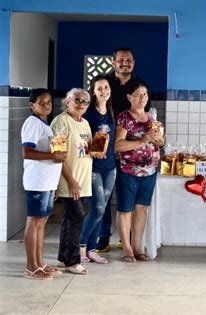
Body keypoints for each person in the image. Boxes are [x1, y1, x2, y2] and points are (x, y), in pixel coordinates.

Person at [96, 47, 149, 252]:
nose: (125, 64)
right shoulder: (104, 84)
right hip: (107, 146)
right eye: (121, 60)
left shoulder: (140, 85)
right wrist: (101, 147)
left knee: (127, 195)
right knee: (104, 194)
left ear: (133, 63)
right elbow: (97, 115)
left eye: (128, 61)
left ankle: (125, 237)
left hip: (131, 150)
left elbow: (145, 116)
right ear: (113, 63)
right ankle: (103, 236)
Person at [115, 82, 164, 263]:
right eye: (137, 94)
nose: (142, 97)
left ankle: (137, 247)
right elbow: (118, 145)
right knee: (125, 209)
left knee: (142, 209)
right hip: (128, 171)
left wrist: (159, 139)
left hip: (150, 171)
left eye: (144, 94)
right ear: (129, 97)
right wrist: (142, 140)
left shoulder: (151, 117)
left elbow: (161, 142)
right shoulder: (125, 117)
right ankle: (126, 248)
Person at [21, 88, 66, 280]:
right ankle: (31, 266)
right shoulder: (32, 123)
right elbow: (27, 152)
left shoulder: (44, 124)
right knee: (34, 221)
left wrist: (54, 184)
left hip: (47, 182)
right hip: (37, 181)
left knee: (42, 223)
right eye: (42, 102)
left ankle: (39, 263)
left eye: (49, 102)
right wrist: (53, 156)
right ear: (32, 105)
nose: (47, 105)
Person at [51, 88, 93, 275]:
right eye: (77, 100)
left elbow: (87, 149)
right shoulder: (60, 122)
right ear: (67, 101)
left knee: (70, 219)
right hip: (69, 180)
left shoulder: (85, 123)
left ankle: (63, 259)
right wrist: (71, 181)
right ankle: (73, 261)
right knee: (77, 217)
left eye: (85, 102)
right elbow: (57, 155)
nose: (82, 104)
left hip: (82, 180)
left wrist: (101, 145)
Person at [79, 75, 116, 264]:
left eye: (106, 88)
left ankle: (92, 250)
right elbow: (81, 139)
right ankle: (82, 246)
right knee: (98, 208)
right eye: (99, 88)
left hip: (110, 167)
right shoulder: (88, 113)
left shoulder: (110, 111)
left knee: (101, 209)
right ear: (93, 91)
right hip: (93, 167)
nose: (104, 92)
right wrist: (93, 147)